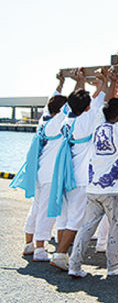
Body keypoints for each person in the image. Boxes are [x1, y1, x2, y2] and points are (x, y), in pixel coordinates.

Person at [67, 70, 118, 278]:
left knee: (86, 227)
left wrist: (112, 82)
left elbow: (108, 102)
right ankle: (113, 264)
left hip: (94, 187)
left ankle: (74, 264)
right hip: (113, 189)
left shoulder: (99, 124)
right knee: (116, 227)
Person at [48, 69, 108, 271]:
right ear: (87, 106)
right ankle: (60, 253)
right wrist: (103, 82)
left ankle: (60, 253)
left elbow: (81, 101)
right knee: (76, 218)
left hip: (64, 171)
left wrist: (81, 82)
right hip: (80, 176)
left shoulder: (66, 118)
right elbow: (101, 100)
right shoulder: (86, 120)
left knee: (64, 216)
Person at [12, 73, 68, 261]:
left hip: (38, 172)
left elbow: (51, 100)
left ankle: (29, 243)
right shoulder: (59, 121)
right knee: (46, 210)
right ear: (61, 110)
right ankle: (40, 248)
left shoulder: (44, 119)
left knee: (36, 209)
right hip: (50, 175)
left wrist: (60, 84)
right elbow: (69, 106)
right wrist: (79, 82)